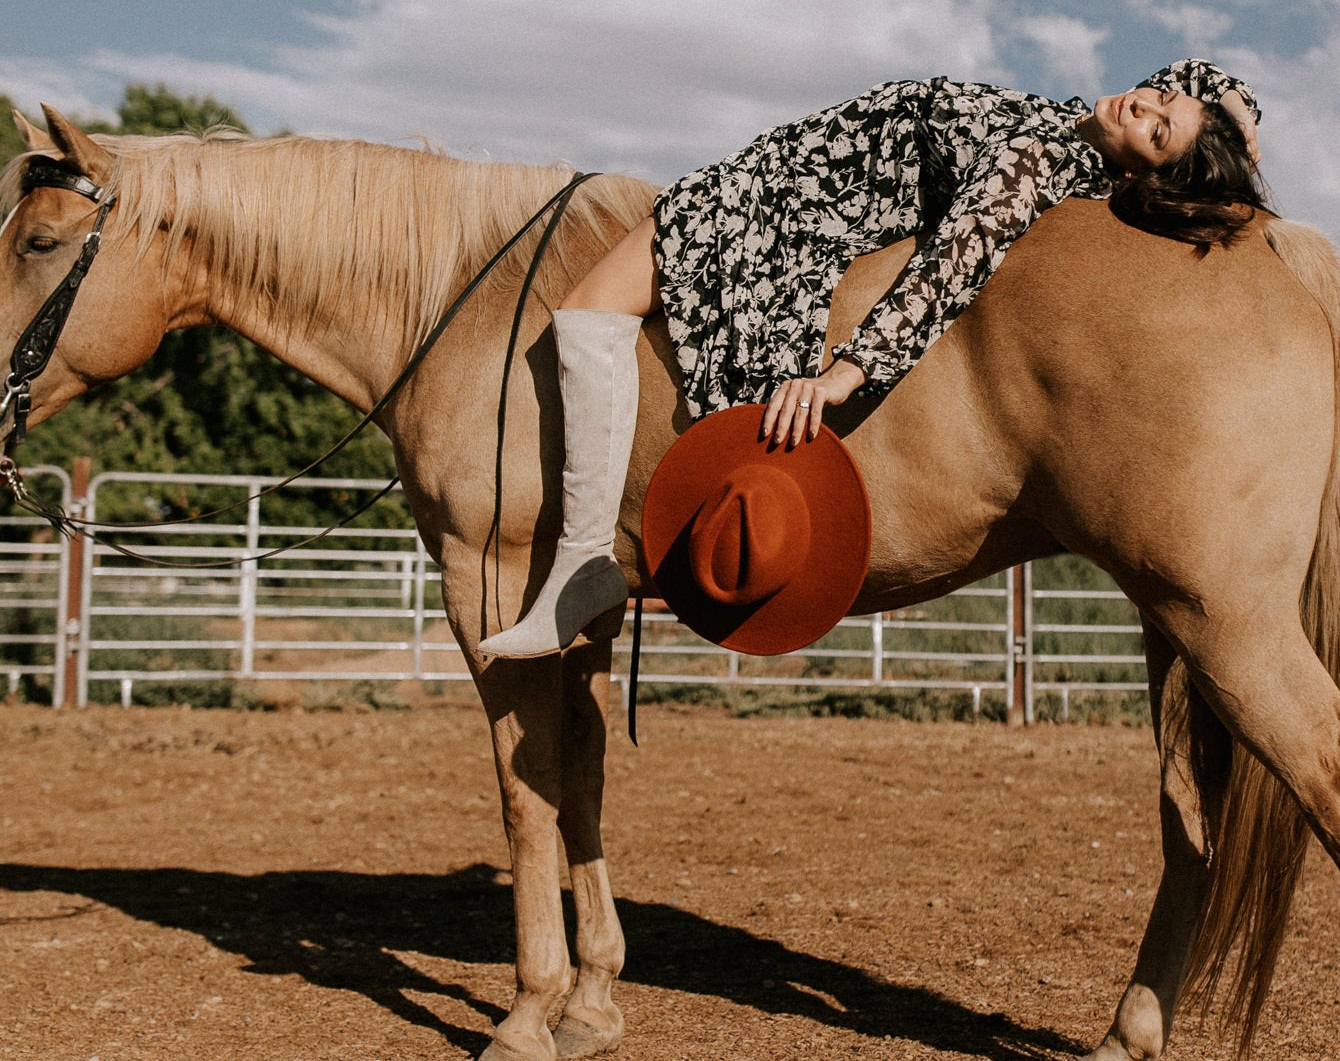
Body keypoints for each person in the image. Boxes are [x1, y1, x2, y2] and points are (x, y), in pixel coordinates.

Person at [482, 61, 1265, 658]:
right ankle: (583, 566)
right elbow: (1197, 77)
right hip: (774, 178)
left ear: (1140, 171)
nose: (1147, 104)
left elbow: (951, 266)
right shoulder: (1075, 127)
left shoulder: (1032, 168)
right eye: (1160, 100)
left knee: (586, 317)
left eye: (1158, 130)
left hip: (776, 209)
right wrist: (1237, 117)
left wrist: (847, 373)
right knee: (594, 315)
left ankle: (582, 563)